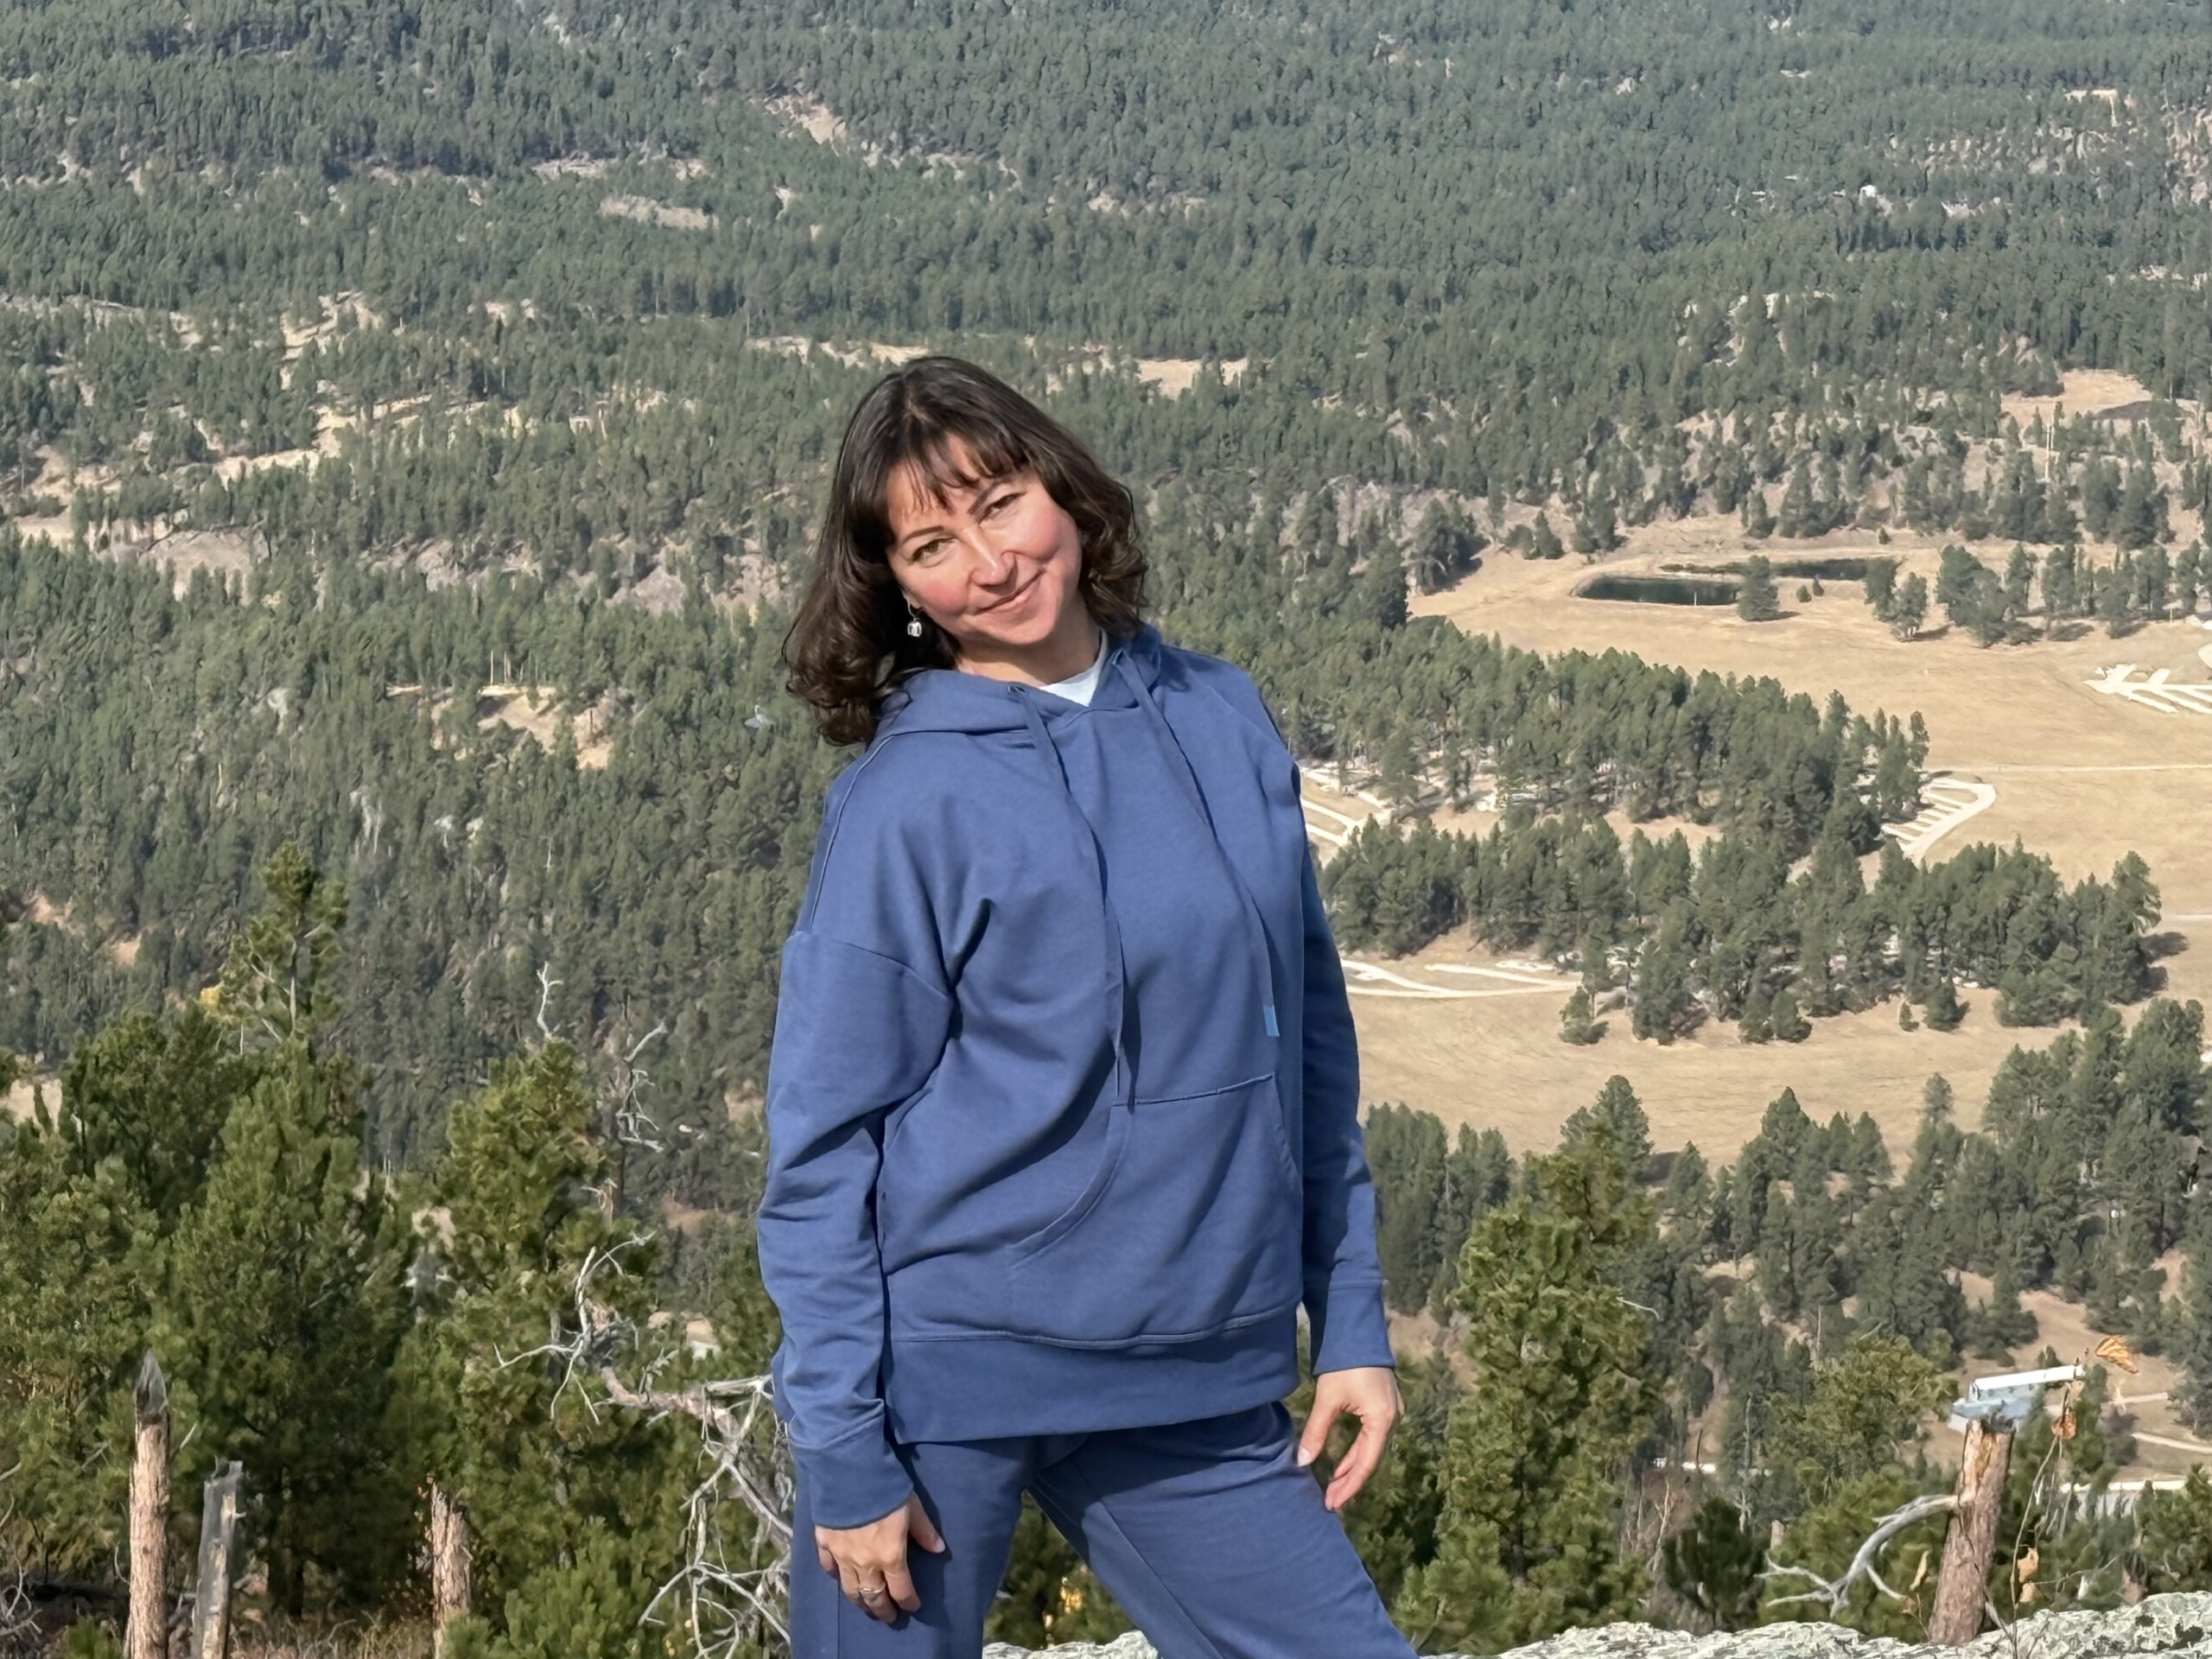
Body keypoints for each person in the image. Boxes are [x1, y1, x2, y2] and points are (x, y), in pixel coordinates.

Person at [761, 355, 1413, 1658]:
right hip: (943, 1383)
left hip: (1192, 1377)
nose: (989, 563)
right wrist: (843, 1444)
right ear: (896, 586)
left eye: (1000, 503)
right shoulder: (906, 804)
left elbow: (1309, 1046)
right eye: (933, 545)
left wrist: (1347, 1316)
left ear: (1060, 485)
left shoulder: (1218, 716)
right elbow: (823, 1147)